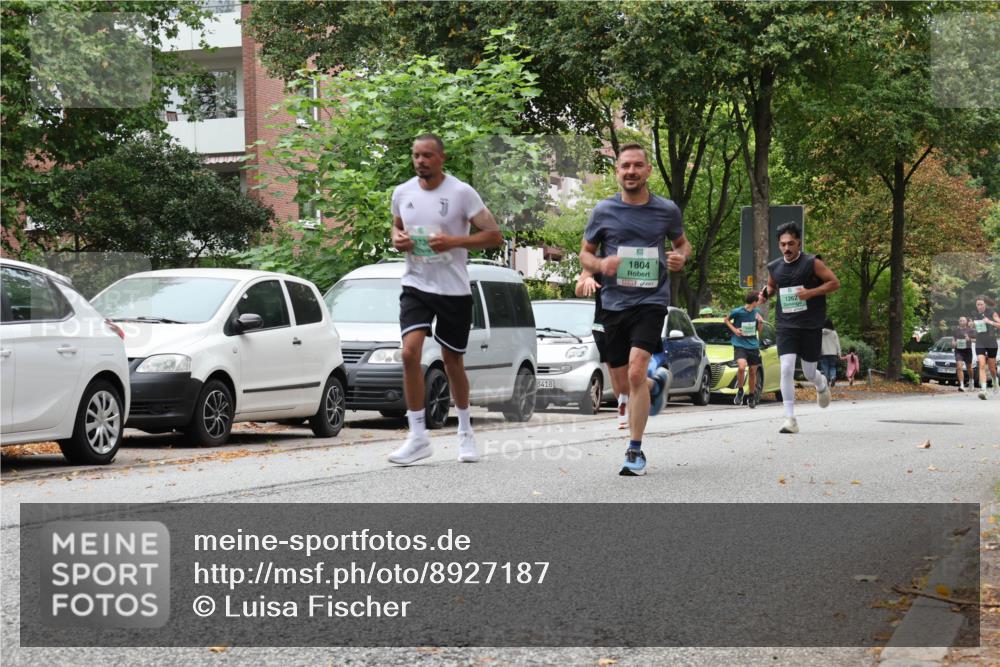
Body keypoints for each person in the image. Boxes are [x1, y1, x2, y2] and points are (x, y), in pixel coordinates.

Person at [387, 134, 503, 465]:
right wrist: (399, 240)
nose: (420, 161)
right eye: (416, 155)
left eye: (427, 155)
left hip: (453, 289)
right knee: (410, 353)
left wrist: (453, 241)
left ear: (441, 158)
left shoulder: (461, 193)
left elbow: (494, 236)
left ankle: (465, 431)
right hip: (416, 284)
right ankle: (417, 436)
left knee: (453, 361)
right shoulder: (402, 193)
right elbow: (397, 228)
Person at [579, 143, 691, 476]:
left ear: (648, 171)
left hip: (651, 300)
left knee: (635, 370)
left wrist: (680, 257)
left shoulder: (666, 210)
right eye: (625, 166)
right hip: (614, 304)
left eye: (637, 165)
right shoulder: (603, 211)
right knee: (623, 383)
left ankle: (635, 450)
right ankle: (656, 387)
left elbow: (681, 243)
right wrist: (599, 264)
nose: (631, 171)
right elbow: (585, 253)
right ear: (617, 171)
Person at [759, 222, 841, 434]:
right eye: (783, 244)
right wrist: (764, 293)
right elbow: (771, 286)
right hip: (786, 324)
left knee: (808, 372)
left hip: (810, 324)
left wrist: (811, 293)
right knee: (786, 367)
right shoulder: (775, 267)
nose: (787, 248)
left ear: (799, 243)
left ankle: (821, 384)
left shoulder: (812, 263)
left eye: (791, 244)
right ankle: (790, 419)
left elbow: (834, 283)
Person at [576, 270, 629, 429]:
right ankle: (623, 406)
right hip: (603, 323)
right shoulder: (595, 258)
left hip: (630, 321)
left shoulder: (634, 251)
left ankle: (652, 386)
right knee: (614, 369)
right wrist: (586, 281)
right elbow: (578, 290)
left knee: (631, 369)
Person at [724, 291, 765, 408]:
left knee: (752, 371)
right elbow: (726, 320)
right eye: (758, 301)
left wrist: (761, 321)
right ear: (754, 302)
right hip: (740, 344)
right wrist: (735, 330)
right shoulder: (738, 311)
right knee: (741, 367)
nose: (759, 303)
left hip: (753, 345)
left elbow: (759, 330)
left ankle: (751, 396)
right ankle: (740, 390)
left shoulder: (757, 312)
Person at [972, 295, 1000, 400]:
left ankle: (995, 380)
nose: (979, 306)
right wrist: (972, 325)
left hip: (991, 342)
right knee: (982, 364)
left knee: (992, 368)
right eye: (977, 305)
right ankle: (983, 390)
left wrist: (990, 322)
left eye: (981, 304)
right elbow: (973, 326)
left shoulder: (992, 312)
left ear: (985, 304)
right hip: (980, 342)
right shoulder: (974, 314)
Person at [951, 316, 975, 392]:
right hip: (958, 351)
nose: (962, 322)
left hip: (967, 350)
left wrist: (969, 339)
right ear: (959, 322)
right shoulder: (955, 331)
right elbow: (953, 341)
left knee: (969, 368)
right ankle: (961, 385)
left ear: (966, 322)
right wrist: (953, 343)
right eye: (960, 320)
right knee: (959, 366)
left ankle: (971, 380)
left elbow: (976, 340)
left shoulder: (970, 330)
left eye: (963, 320)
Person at [819, 318, 842, 387]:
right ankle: (833, 377)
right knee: (832, 367)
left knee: (824, 367)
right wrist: (839, 353)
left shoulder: (819, 332)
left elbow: (817, 343)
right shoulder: (834, 332)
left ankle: (826, 381)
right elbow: (837, 344)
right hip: (833, 353)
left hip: (823, 353)